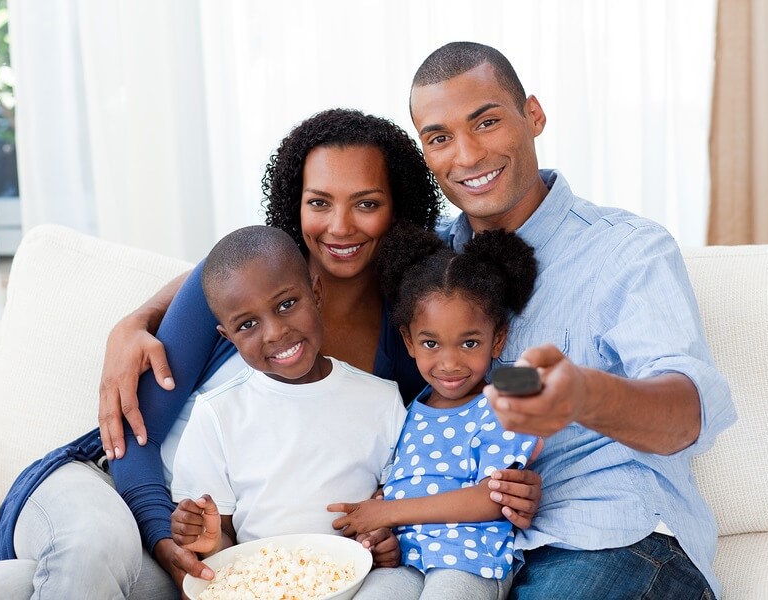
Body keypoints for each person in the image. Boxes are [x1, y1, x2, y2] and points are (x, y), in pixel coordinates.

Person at [0, 109, 539, 599]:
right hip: (118, 491)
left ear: (398, 208)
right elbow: (136, 439)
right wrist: (132, 322)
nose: (340, 225)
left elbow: (464, 383)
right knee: (92, 546)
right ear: (294, 203)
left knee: (6, 587)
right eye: (319, 202)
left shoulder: (410, 322)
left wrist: (520, 469)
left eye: (366, 203)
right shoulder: (248, 281)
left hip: (223, 548)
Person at [407, 42, 737, 599]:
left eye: (485, 122)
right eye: (439, 138)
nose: (465, 156)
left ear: (532, 115)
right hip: (476, 552)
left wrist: (583, 394)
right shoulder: (427, 265)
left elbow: (689, 414)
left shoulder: (627, 251)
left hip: (616, 542)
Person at [327, 222, 540, 600]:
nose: (450, 363)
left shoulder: (504, 404)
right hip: (405, 558)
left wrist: (389, 513)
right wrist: (378, 529)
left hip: (468, 559)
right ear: (409, 341)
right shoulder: (408, 410)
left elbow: (493, 498)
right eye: (431, 343)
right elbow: (392, 486)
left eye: (469, 342)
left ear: (498, 340)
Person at [169, 225, 406, 560]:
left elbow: (397, 512)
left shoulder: (382, 400)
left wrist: (384, 539)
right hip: (261, 585)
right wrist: (207, 542)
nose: (275, 332)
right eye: (247, 325)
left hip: (358, 581)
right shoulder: (216, 415)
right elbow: (219, 546)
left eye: (286, 304)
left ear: (317, 292)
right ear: (227, 337)